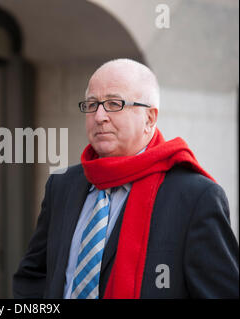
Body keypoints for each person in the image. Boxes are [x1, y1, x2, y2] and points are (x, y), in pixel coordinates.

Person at [13, 58, 239, 299]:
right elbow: (33, 275)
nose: (99, 116)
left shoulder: (195, 197)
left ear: (150, 118)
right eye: (92, 104)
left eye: (113, 103)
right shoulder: (62, 185)